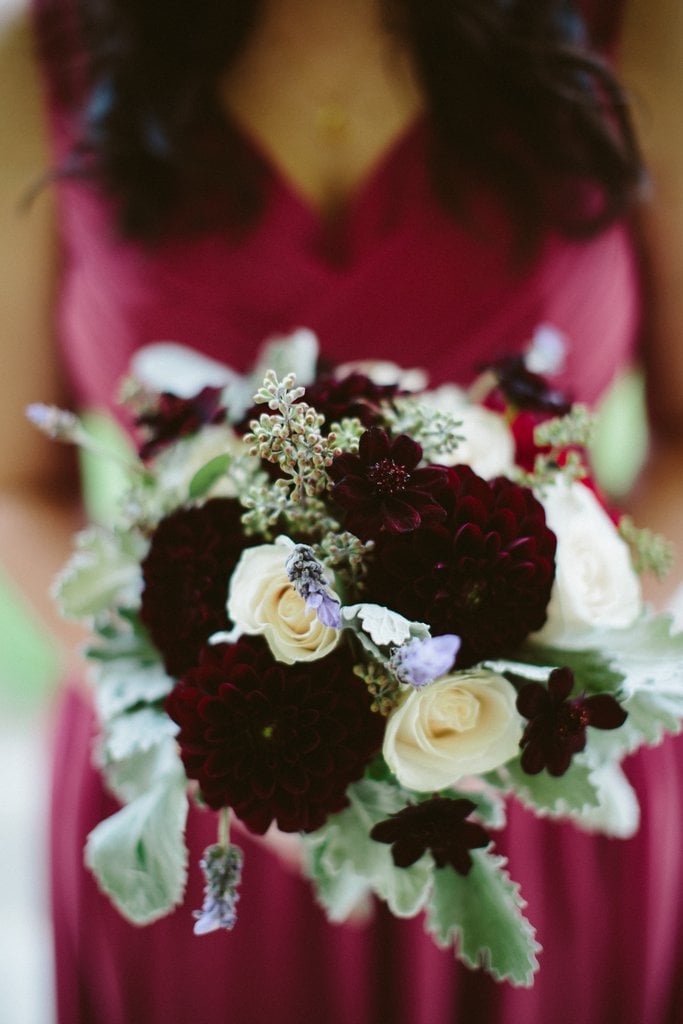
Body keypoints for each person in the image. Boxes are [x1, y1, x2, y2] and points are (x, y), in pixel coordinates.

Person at [2, 0, 683, 1021]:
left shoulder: (640, 34)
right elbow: (17, 480)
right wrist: (204, 732)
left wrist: (542, 663)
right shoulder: (41, 68)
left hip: (535, 772)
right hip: (211, 799)